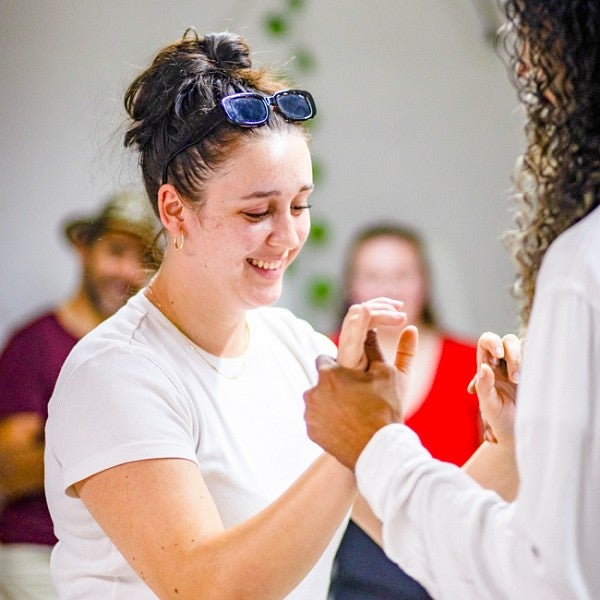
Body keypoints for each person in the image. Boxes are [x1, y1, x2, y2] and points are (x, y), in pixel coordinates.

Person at [43, 29, 411, 600]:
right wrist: (352, 443)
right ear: (175, 211)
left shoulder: (294, 347)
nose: (288, 237)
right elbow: (205, 588)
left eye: (299, 204)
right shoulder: (114, 373)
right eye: (257, 211)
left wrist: (508, 440)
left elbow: (417, 530)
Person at [304, 1, 600, 598]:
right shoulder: (316, 359)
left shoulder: (579, 267)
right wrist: (520, 442)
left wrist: (378, 447)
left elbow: (550, 569)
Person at [0, 189, 158, 600]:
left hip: (119, 563)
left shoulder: (145, 353)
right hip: (37, 555)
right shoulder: (35, 344)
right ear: (83, 248)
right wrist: (109, 436)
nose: (126, 271)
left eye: (141, 260)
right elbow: (11, 471)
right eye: (116, 251)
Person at [329, 224, 481, 600]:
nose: (389, 289)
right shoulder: (322, 357)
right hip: (356, 567)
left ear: (423, 283)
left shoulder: (471, 362)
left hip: (456, 562)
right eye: (373, 276)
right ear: (351, 286)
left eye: (401, 275)